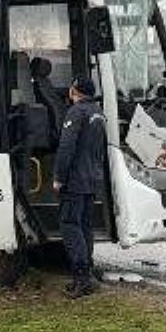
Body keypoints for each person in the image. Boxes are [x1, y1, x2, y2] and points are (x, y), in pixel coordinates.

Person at [53, 76, 108, 298]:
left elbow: (66, 147)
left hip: (75, 179)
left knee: (69, 224)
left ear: (75, 91)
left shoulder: (76, 113)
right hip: (92, 177)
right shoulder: (98, 112)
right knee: (85, 225)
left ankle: (81, 278)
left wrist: (59, 177)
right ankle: (88, 274)